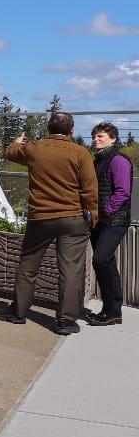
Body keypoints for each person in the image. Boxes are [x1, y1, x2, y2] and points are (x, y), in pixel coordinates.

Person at [0, 112, 98, 335]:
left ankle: (18, 312)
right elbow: (90, 191)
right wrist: (92, 218)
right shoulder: (81, 153)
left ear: (48, 129)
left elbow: (10, 153)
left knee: (28, 265)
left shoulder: (35, 148)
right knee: (71, 270)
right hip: (73, 220)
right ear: (72, 130)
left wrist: (16, 142)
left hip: (41, 218)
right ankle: (66, 321)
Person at [85, 122, 130, 326]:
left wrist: (104, 212)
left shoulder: (118, 159)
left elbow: (122, 192)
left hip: (114, 221)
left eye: (100, 136)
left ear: (113, 139)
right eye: (94, 136)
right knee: (108, 263)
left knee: (101, 260)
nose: (95, 139)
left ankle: (111, 310)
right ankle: (112, 311)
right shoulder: (99, 160)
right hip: (99, 221)